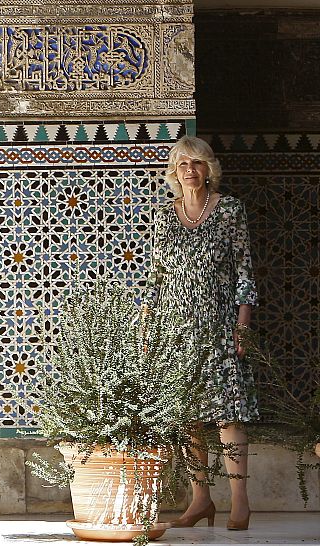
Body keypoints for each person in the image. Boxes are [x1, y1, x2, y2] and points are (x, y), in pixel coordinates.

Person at [145, 135, 258, 531]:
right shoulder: (164, 215)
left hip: (221, 325)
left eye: (196, 163)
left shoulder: (229, 210)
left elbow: (244, 272)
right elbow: (156, 278)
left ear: (209, 168)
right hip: (177, 328)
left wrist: (242, 327)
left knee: (228, 414)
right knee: (189, 416)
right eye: (182, 165)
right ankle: (200, 499)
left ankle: (240, 500)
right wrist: (149, 327)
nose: (189, 170)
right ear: (174, 173)